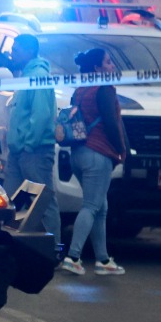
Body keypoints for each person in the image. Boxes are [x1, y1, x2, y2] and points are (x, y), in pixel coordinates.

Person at [60, 47, 128, 276]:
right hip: (98, 154)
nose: (112, 66)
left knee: (100, 206)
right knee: (91, 206)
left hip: (78, 154)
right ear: (98, 68)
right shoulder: (105, 90)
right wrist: (121, 150)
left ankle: (103, 259)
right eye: (108, 62)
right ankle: (73, 257)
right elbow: (112, 123)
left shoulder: (80, 90)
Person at [4, 33, 60, 241]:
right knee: (14, 203)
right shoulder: (27, 76)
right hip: (21, 152)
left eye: (15, 50)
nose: (11, 54)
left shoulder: (38, 76)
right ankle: (18, 246)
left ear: (29, 52)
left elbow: (42, 114)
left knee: (43, 203)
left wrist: (28, 144)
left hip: (33, 152)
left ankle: (54, 249)